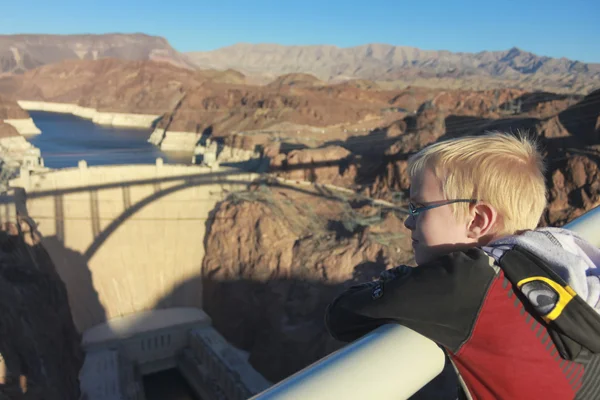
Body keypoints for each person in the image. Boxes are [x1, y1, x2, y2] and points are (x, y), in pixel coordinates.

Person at [325, 131, 600, 399]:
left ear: (478, 220)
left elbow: (341, 316)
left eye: (418, 208)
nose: (408, 222)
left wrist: (402, 279)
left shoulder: (468, 282)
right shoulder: (561, 254)